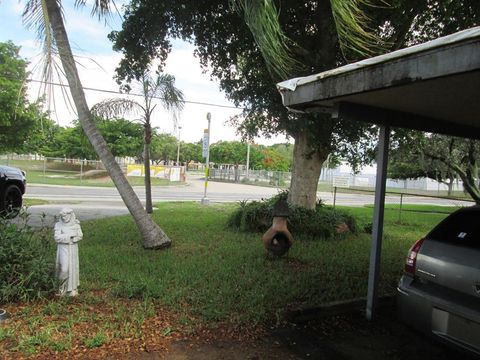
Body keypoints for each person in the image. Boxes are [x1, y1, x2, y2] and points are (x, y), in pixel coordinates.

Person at [54, 208, 83, 296]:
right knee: (64, 269)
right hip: (63, 248)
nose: (64, 218)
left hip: (73, 248)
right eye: (62, 216)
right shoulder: (58, 225)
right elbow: (57, 237)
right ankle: (61, 288)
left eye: (65, 216)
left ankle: (72, 289)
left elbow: (80, 236)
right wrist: (69, 236)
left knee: (73, 268)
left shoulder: (76, 225)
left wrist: (74, 238)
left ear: (70, 215)